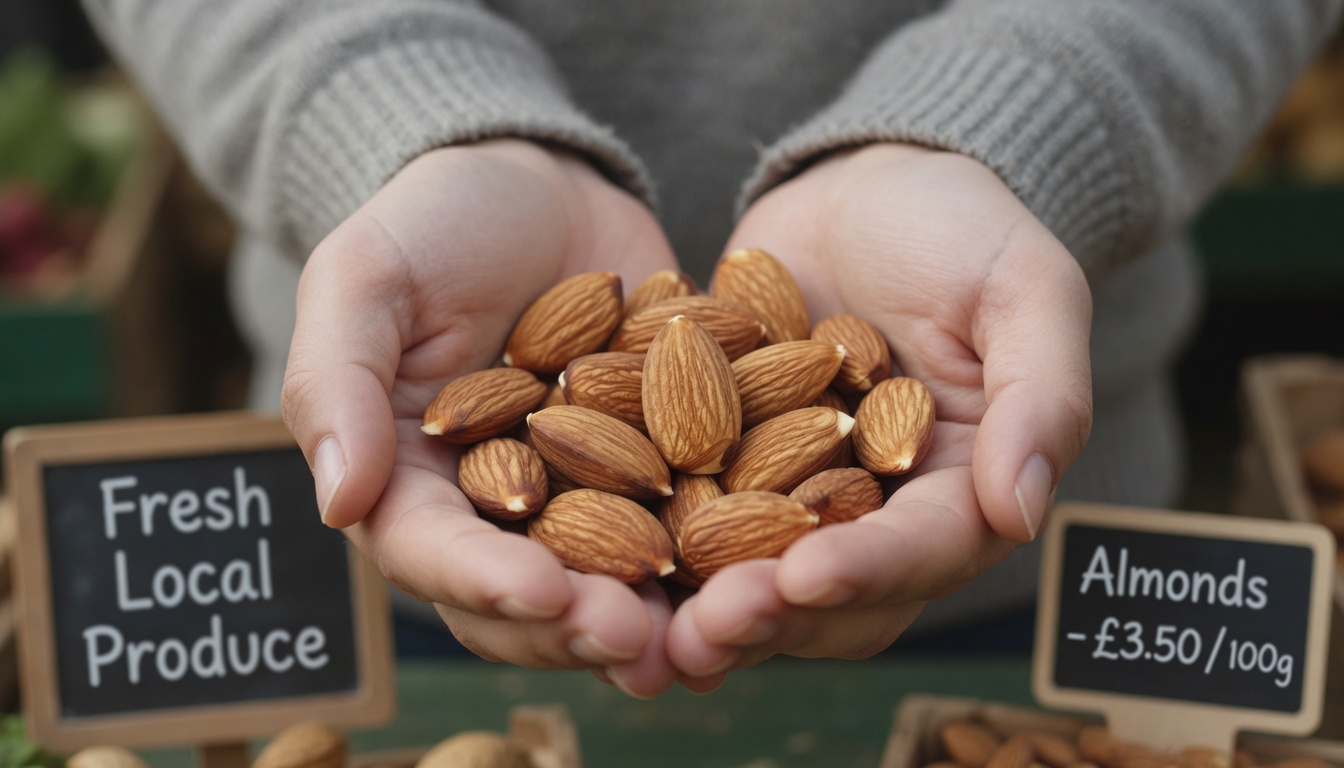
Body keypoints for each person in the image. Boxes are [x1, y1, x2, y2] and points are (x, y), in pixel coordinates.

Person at [82, 1, 1341, 698]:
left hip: (1022, 549)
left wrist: (1015, 123)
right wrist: (388, 114)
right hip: (405, 528)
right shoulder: (536, 421)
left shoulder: (809, 403)